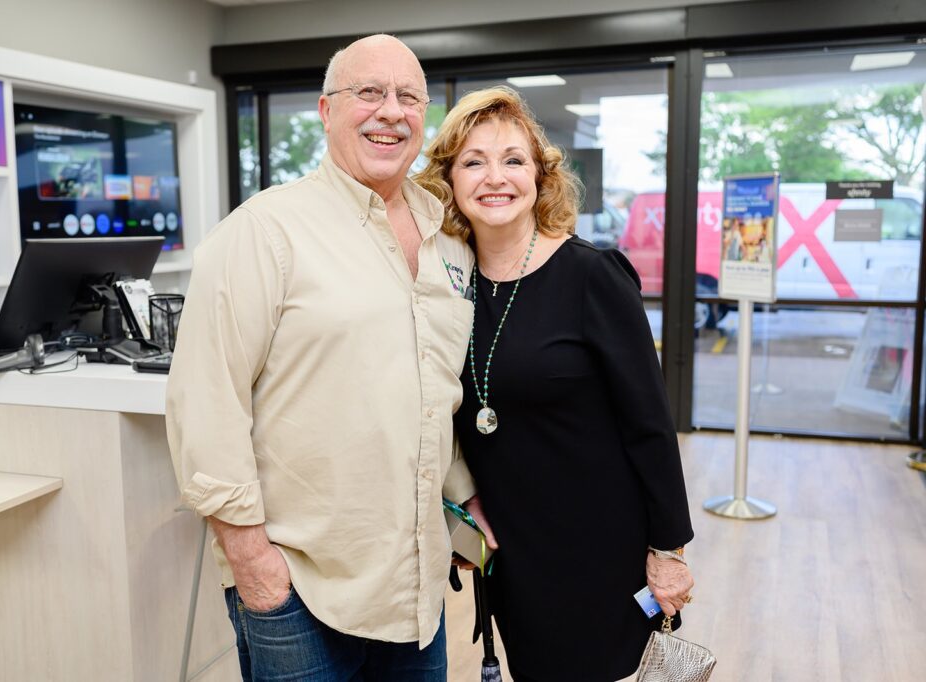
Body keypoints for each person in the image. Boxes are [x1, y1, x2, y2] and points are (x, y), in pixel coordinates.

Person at [165, 35, 496, 681]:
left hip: (415, 589)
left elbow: (437, 394)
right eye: (368, 92)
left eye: (407, 96)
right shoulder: (265, 231)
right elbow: (206, 403)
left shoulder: (449, 239)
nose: (390, 111)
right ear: (325, 109)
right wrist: (254, 563)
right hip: (300, 589)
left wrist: (465, 504)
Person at [415, 86, 695, 681]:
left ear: (540, 177)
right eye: (473, 161)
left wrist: (667, 551)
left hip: (597, 545)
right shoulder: (446, 285)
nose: (495, 178)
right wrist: (463, 512)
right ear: (450, 180)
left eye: (513, 160)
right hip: (513, 546)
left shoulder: (592, 275)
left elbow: (649, 424)